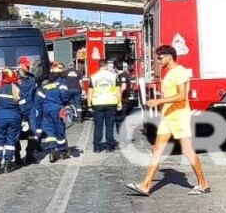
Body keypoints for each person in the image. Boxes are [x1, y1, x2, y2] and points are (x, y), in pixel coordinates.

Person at [126, 45, 210, 196]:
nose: (158, 61)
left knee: (187, 151)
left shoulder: (180, 72)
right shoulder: (170, 73)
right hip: (168, 117)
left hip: (179, 116)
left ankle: (203, 183)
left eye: (159, 58)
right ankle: (145, 185)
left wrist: (159, 101)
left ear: (169, 57)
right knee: (157, 151)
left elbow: (182, 96)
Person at [0, 69, 24, 174]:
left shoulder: (0, 90)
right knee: (11, 141)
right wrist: (24, 119)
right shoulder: (18, 91)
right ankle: (7, 165)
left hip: (0, 118)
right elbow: (23, 108)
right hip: (15, 118)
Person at [35, 62, 71, 162]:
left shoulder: (45, 83)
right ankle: (62, 152)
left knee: (50, 131)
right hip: (57, 109)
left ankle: (51, 151)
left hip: (46, 110)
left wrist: (40, 112)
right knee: (59, 130)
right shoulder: (61, 82)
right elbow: (64, 95)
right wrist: (66, 102)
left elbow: (39, 99)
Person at [88, 59, 122, 152]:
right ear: (106, 65)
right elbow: (118, 91)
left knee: (98, 125)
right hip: (111, 102)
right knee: (109, 125)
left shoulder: (93, 77)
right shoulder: (114, 76)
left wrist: (89, 104)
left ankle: (97, 147)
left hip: (98, 103)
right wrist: (119, 103)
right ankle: (109, 146)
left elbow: (90, 92)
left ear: (99, 66)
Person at [15, 56, 41, 165]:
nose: (28, 67)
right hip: (18, 110)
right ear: (21, 65)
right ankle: (17, 156)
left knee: (34, 132)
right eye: (26, 66)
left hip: (31, 109)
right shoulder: (15, 78)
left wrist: (37, 107)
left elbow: (35, 93)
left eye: (29, 65)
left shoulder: (32, 78)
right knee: (16, 134)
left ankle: (30, 154)